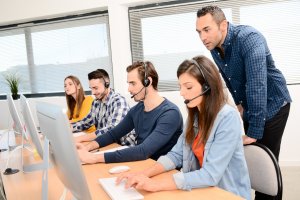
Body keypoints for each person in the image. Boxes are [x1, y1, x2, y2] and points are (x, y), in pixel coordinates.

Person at [117, 56, 251, 200]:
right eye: (180, 87)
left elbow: (211, 174)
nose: (182, 93)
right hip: (199, 190)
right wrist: (143, 174)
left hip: (225, 194)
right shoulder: (195, 116)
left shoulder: (227, 118)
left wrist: (156, 184)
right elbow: (176, 155)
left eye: (188, 87)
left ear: (207, 86)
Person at [196, 6, 292, 199]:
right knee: (252, 165)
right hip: (252, 105)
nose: (203, 37)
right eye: (199, 32)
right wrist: (239, 103)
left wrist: (254, 132)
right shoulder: (215, 47)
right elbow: (229, 77)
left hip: (274, 103)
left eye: (207, 30)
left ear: (223, 25)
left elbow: (257, 84)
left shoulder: (249, 39)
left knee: (266, 166)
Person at [76, 61, 183, 164]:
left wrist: (94, 158)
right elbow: (113, 134)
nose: (129, 89)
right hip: (142, 164)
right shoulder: (137, 109)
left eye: (133, 83)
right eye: (128, 84)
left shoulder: (170, 113)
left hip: (162, 170)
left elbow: (143, 151)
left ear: (148, 82)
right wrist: (87, 148)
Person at [71, 69, 135, 146]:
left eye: (95, 88)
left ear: (107, 85)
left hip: (123, 146)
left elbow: (112, 129)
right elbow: (85, 122)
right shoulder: (96, 103)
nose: (93, 92)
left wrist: (81, 138)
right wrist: (67, 128)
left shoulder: (118, 101)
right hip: (107, 144)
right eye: (91, 88)